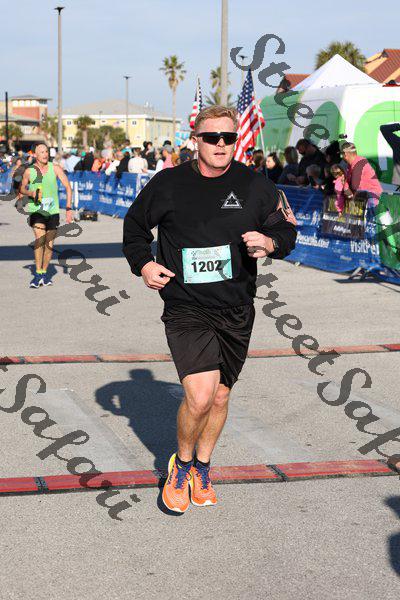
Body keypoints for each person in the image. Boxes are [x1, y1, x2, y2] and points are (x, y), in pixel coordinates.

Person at [123, 105, 297, 513]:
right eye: (212, 137)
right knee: (200, 397)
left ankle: (202, 467)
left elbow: (286, 228)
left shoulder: (256, 186)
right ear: (195, 139)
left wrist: (271, 243)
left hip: (236, 308)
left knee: (219, 396)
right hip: (186, 306)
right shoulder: (168, 184)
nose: (221, 144)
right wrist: (144, 264)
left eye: (228, 137)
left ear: (237, 140)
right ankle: (181, 467)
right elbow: (134, 228)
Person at [20, 142, 72, 288]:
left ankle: (43, 272)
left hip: (52, 211)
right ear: (36, 155)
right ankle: (37, 274)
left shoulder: (55, 168)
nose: (45, 154)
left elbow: (68, 187)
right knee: (40, 240)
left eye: (46, 152)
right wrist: (31, 193)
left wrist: (68, 208)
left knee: (48, 245)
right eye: (42, 152)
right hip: (36, 210)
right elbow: (22, 188)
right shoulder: (30, 171)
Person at [341, 142, 382, 206]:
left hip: (372, 200)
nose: (341, 157)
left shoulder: (359, 164)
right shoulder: (352, 164)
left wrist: (345, 186)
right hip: (364, 197)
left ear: (345, 154)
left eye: (341, 154)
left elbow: (353, 187)